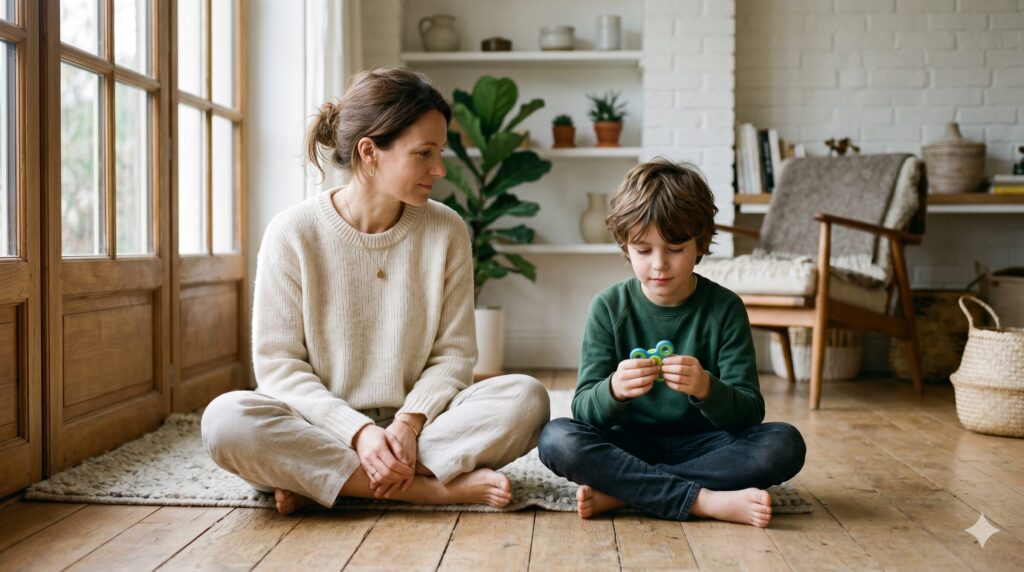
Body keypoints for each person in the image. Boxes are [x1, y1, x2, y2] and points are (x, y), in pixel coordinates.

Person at [201, 67, 549, 515]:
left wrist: (407, 423)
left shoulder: (447, 230)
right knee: (226, 421)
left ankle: (326, 482)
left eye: (440, 152)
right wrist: (359, 433)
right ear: (370, 152)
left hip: (422, 428)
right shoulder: (292, 232)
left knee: (526, 399)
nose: (439, 169)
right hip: (321, 425)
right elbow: (280, 369)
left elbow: (455, 355)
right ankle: (429, 489)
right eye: (424, 153)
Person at [537, 159, 805, 527]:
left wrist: (706, 387)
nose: (659, 264)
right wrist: (614, 389)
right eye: (643, 250)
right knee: (556, 438)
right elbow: (584, 408)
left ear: (701, 244)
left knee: (784, 443)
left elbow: (749, 412)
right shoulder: (608, 307)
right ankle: (705, 501)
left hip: (706, 444)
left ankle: (625, 492)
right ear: (625, 246)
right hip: (627, 443)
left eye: (675, 248)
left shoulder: (725, 308)